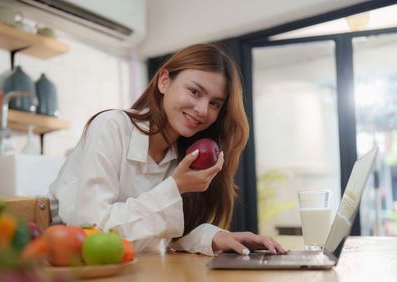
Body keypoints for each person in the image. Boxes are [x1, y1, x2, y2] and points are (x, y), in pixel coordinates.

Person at [49, 43, 286, 256]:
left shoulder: (183, 154)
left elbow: (163, 234)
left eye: (215, 103)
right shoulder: (111, 127)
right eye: (194, 91)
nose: (203, 110)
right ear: (164, 81)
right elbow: (92, 232)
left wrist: (214, 237)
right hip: (67, 268)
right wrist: (175, 187)